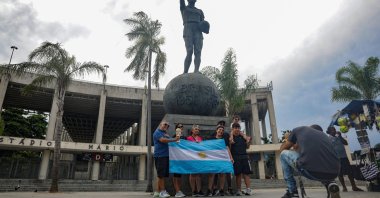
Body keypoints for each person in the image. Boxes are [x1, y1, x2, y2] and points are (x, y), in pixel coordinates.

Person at [280, 125, 341, 198]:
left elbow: (283, 149)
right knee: (320, 162)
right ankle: (331, 184)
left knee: (283, 154)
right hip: (334, 173)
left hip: (311, 171)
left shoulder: (298, 130)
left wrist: (289, 141)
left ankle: (292, 192)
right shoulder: (324, 136)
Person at [326, 126, 363, 192]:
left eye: (334, 129)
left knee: (350, 173)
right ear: (329, 132)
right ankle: (344, 188)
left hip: (344, 157)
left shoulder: (339, 137)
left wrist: (340, 136)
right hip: (337, 159)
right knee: (340, 174)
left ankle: (354, 187)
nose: (334, 131)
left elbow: (346, 143)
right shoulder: (328, 139)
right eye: (332, 130)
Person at [179, 0, 208, 73]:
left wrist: (205, 27)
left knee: (198, 51)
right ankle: (185, 72)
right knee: (189, 50)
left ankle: (196, 70)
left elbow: (203, 23)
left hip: (198, 30)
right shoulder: (184, 8)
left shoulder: (199, 11)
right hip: (188, 28)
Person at [153, 121, 180, 198]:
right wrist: (175, 139)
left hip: (166, 156)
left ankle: (157, 191)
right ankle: (162, 191)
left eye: (167, 126)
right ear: (160, 125)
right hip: (160, 156)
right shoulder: (157, 132)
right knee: (161, 175)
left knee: (162, 175)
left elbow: (170, 140)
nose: (166, 126)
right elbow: (163, 140)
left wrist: (177, 140)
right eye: (165, 124)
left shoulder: (166, 133)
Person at [207, 125, 234, 196]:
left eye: (222, 130)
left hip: (222, 158)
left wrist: (231, 157)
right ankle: (209, 190)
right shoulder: (211, 138)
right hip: (213, 158)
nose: (221, 131)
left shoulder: (224, 140)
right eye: (219, 130)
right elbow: (207, 146)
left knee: (222, 174)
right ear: (216, 130)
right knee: (211, 174)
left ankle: (221, 189)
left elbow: (227, 148)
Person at [230, 123, 253, 196]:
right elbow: (229, 147)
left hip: (244, 157)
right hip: (236, 157)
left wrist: (248, 141)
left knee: (246, 174)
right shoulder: (231, 137)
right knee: (238, 175)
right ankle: (239, 190)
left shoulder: (243, 137)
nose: (237, 129)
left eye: (238, 128)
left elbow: (248, 147)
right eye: (235, 128)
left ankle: (248, 189)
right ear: (232, 129)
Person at [186, 125, 204, 196]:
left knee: (199, 174)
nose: (197, 130)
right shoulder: (189, 138)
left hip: (199, 157)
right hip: (191, 157)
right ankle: (193, 191)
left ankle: (199, 191)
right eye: (195, 129)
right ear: (192, 130)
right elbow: (187, 147)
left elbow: (202, 148)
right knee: (192, 174)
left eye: (198, 129)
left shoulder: (200, 138)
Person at [172, 123, 187, 197]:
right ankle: (177, 191)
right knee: (176, 175)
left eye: (181, 127)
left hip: (182, 159)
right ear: (176, 129)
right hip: (175, 159)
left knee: (179, 176)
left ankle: (179, 190)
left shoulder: (184, 137)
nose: (180, 128)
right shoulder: (173, 137)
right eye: (179, 127)